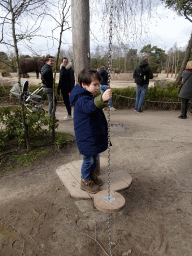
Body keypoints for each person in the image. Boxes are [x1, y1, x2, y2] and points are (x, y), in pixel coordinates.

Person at [69, 68, 112, 194]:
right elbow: (89, 107)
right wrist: (102, 99)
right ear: (84, 85)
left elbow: (93, 107)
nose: (97, 87)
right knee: (88, 160)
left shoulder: (88, 95)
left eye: (98, 84)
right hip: (86, 136)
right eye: (94, 84)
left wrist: (101, 100)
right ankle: (85, 180)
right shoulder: (81, 99)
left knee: (95, 157)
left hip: (92, 134)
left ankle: (91, 175)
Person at [41, 55, 58, 121]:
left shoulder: (44, 67)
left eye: (53, 61)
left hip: (46, 87)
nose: (52, 62)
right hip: (48, 87)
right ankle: (51, 117)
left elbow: (43, 75)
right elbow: (44, 74)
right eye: (51, 61)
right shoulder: (48, 68)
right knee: (52, 102)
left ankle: (52, 116)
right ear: (47, 61)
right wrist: (48, 82)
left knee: (53, 102)